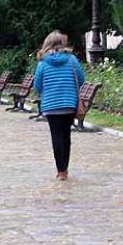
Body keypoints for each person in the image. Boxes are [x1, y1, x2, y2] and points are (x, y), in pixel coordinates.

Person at [32, 32, 86, 181]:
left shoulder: (42, 63)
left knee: (56, 136)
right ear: (63, 43)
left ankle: (60, 171)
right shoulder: (72, 60)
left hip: (51, 105)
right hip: (69, 104)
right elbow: (81, 80)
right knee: (66, 136)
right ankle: (65, 169)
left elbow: (37, 85)